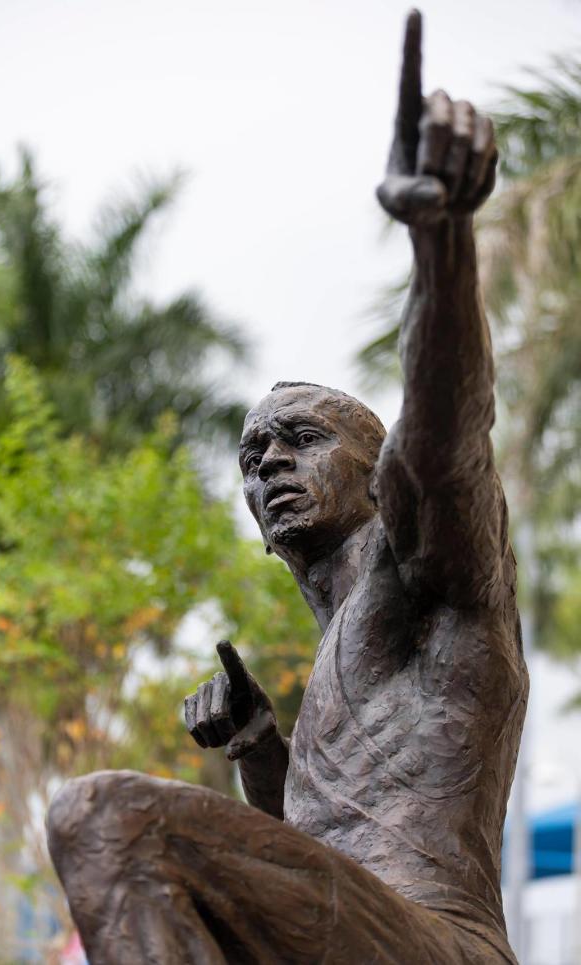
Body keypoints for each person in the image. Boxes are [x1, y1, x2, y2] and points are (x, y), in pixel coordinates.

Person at [47, 11, 528, 964]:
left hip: (443, 941)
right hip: (375, 933)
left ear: (374, 470)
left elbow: (446, 431)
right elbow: (318, 859)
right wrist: (261, 744)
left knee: (104, 813)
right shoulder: (344, 656)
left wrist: (441, 237)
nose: (267, 463)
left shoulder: (431, 574)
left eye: (300, 439)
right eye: (250, 455)